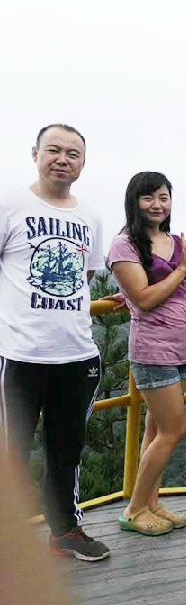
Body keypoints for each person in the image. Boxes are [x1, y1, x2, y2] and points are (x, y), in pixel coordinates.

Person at [0, 124, 109, 561]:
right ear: (35, 154)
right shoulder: (10, 205)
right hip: (19, 354)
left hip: (76, 355)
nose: (63, 159)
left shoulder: (90, 217)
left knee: (66, 450)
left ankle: (64, 531)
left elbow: (85, 276)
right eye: (54, 150)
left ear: (83, 163)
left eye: (73, 153)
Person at [107, 172, 186, 535]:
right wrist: (183, 268)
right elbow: (145, 299)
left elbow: (169, 289)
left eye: (163, 197)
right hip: (153, 349)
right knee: (173, 430)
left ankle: (151, 502)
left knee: (156, 429)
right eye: (148, 197)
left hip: (183, 346)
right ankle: (133, 510)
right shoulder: (125, 245)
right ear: (134, 201)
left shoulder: (176, 241)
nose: (157, 204)